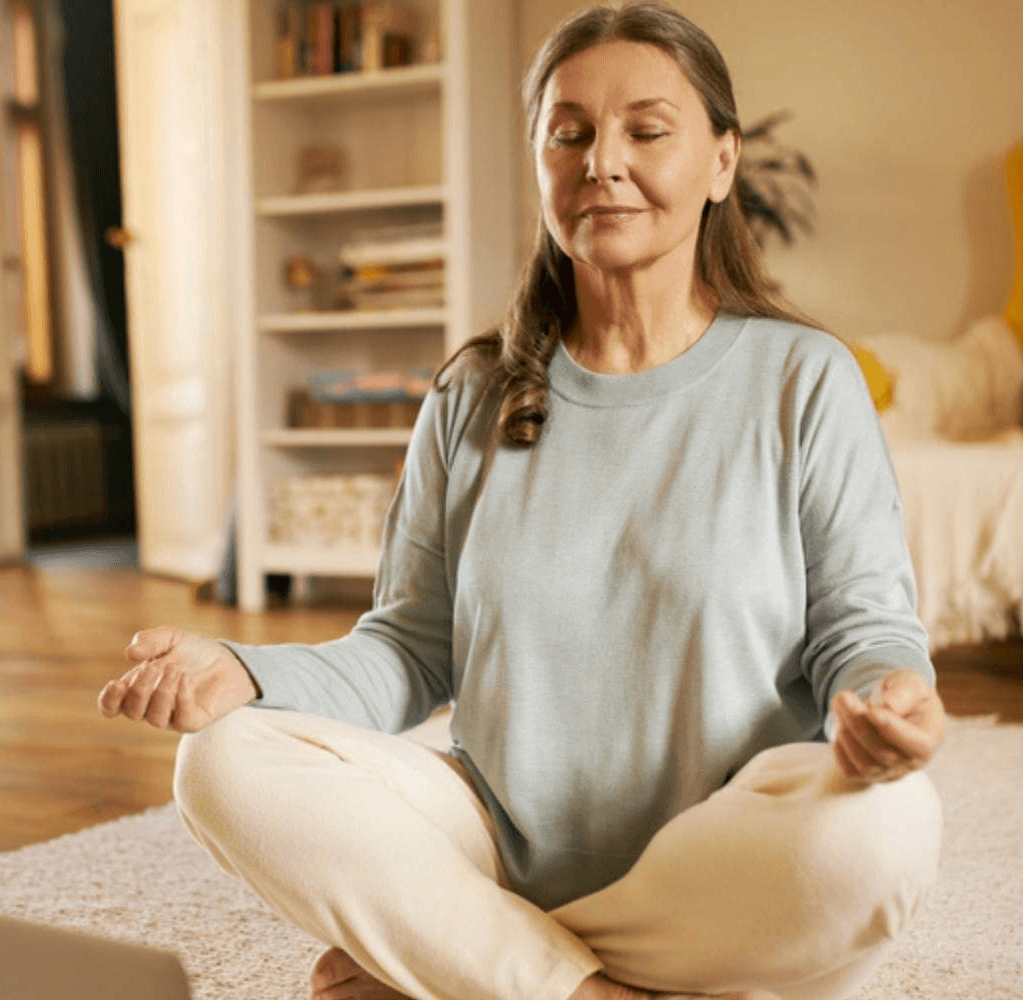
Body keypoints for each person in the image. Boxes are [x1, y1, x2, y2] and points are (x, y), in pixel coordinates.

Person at [98, 3, 948, 999]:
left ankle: (477, 961)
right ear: (539, 159)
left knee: (889, 827)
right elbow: (407, 652)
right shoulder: (472, 393)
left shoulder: (804, 378)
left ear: (721, 161)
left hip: (722, 854)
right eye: (569, 132)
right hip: (499, 840)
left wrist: (894, 695)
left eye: (645, 129)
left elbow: (863, 619)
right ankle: (575, 986)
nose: (601, 161)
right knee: (220, 764)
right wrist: (237, 671)